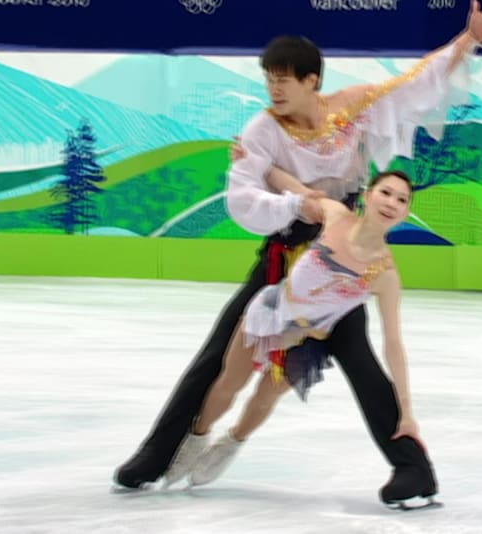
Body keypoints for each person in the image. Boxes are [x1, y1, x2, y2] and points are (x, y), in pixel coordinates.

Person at [115, 0, 482, 506]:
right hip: (285, 254)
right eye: (268, 79)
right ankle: (157, 456)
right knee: (219, 357)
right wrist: (296, 206)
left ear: (312, 81)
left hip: (343, 258)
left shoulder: (353, 105)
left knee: (360, 359)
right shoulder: (261, 131)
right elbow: (241, 198)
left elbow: (416, 83)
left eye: (284, 79)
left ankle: (413, 472)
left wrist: (469, 39)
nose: (274, 89)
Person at [169, 170, 418, 491]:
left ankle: (232, 442)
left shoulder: (385, 273)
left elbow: (394, 343)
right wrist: (252, 161)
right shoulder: (337, 216)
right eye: (386, 193)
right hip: (270, 315)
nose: (391, 203)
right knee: (228, 384)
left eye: (401, 200)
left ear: (405, 213)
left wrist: (407, 411)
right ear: (368, 196)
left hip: (307, 344)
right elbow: (300, 191)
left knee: (263, 398)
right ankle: (198, 435)